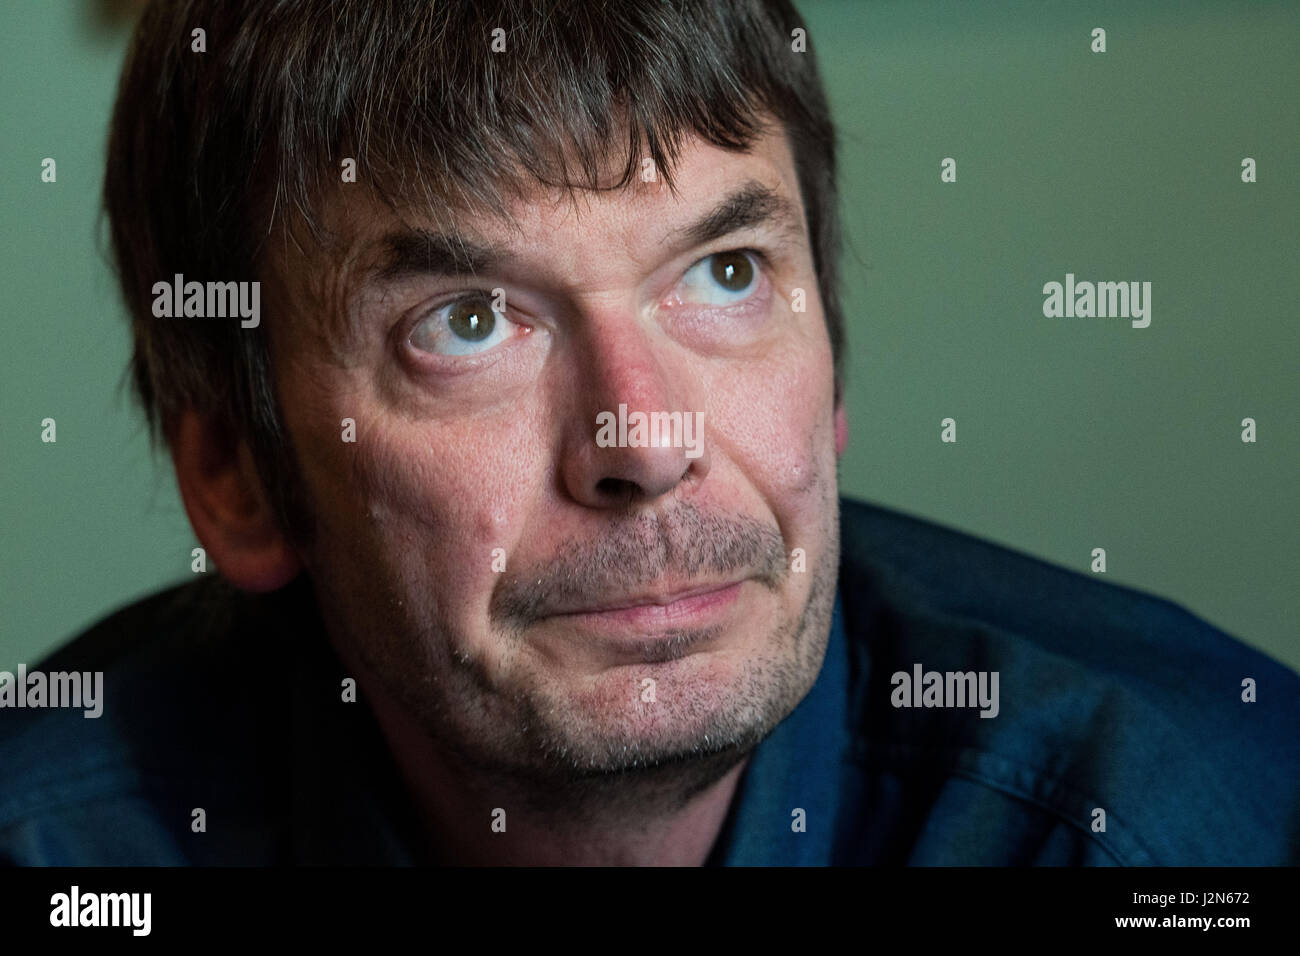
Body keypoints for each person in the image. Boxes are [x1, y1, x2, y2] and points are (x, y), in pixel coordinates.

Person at [1, 0, 1295, 866]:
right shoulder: (54, 845)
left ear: (831, 369)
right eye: (466, 322)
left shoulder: (1173, 832)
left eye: (725, 275)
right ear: (235, 476)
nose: (644, 440)